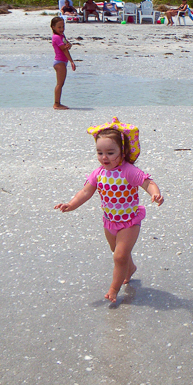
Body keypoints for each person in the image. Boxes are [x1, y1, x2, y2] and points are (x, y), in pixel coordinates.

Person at [54, 118, 164, 304]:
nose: (104, 157)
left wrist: (155, 193)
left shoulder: (128, 170)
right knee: (117, 252)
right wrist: (71, 205)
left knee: (119, 256)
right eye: (100, 152)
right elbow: (85, 191)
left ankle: (113, 290)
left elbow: (147, 182)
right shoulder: (98, 174)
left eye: (110, 152)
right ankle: (130, 269)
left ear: (123, 152)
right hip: (110, 221)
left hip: (130, 220)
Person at [50, 17, 76, 110]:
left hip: (62, 62)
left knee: (61, 83)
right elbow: (64, 50)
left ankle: (58, 103)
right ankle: (56, 104)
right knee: (59, 84)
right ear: (53, 27)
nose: (61, 29)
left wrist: (69, 45)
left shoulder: (62, 36)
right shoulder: (56, 37)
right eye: (59, 27)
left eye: (63, 27)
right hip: (59, 62)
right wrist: (71, 61)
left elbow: (67, 45)